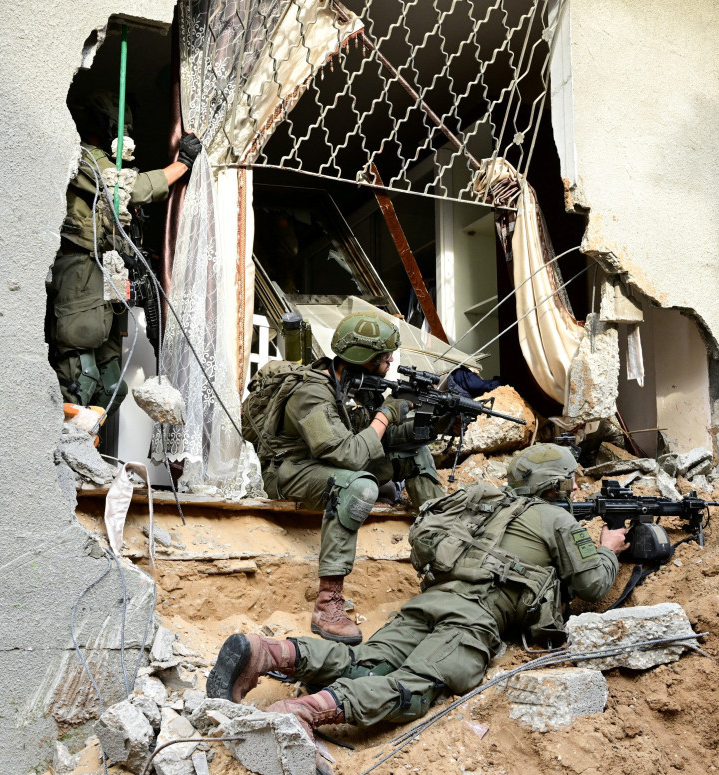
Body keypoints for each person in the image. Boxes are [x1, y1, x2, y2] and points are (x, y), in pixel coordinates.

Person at [206, 443, 628, 739]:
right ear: (556, 485)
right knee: (413, 688)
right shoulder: (557, 520)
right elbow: (591, 585)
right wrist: (608, 550)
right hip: (473, 618)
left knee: (363, 661)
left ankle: (268, 653)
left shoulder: (481, 502)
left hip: (427, 602)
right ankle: (303, 712)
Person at [257, 311, 445, 645]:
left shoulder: (358, 385)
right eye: (384, 356)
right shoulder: (310, 395)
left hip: (331, 463)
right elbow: (350, 455)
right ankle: (327, 604)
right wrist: (386, 413)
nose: (390, 361)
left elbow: (374, 439)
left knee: (415, 451)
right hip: (291, 470)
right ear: (363, 358)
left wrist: (431, 425)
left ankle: (443, 555)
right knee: (359, 487)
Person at [47, 92, 202, 411]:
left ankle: (85, 447)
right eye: (119, 127)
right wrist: (181, 166)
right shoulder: (84, 157)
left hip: (104, 274)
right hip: (82, 271)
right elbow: (132, 191)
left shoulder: (99, 158)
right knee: (81, 375)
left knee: (111, 386)